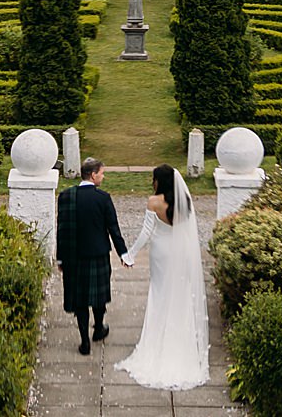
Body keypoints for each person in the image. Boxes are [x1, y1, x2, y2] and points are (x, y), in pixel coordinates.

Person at [116, 162, 208, 389]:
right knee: (180, 294)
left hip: (161, 253)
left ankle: (157, 342)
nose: (151, 182)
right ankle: (181, 344)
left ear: (160, 181)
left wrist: (130, 254)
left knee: (160, 295)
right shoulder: (185, 201)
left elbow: (146, 232)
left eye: (153, 178)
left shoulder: (153, 202)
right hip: (181, 252)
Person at [54, 156, 129, 355]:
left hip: (73, 257)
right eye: (102, 173)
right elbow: (113, 228)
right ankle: (98, 329)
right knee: (98, 296)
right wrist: (123, 253)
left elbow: (61, 230)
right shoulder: (102, 198)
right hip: (97, 255)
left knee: (80, 301)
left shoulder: (66, 196)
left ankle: (84, 342)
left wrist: (60, 258)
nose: (103, 177)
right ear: (93, 175)